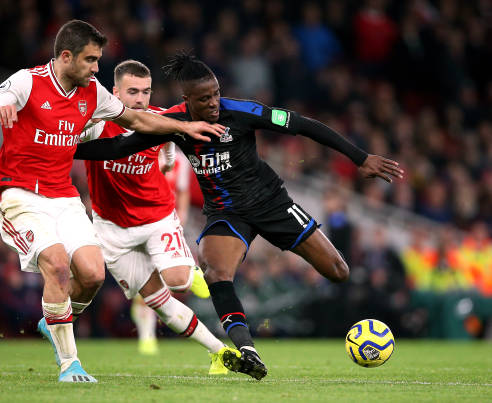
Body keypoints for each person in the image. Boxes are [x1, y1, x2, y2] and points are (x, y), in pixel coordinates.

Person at [73, 52, 404, 380]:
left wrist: (359, 157)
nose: (214, 102)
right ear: (187, 100)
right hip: (226, 214)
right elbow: (117, 148)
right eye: (205, 98)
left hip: (271, 203)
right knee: (216, 272)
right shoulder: (174, 124)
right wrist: (62, 146)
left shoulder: (242, 111)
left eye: (216, 93)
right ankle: (247, 350)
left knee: (339, 271)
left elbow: (303, 125)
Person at [0, 22, 224, 383]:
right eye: (90, 60)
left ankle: (53, 319)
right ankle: (70, 363)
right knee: (57, 265)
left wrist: (184, 129)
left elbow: (135, 118)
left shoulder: (93, 93)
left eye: (98, 60)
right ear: (66, 56)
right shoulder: (27, 81)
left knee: (91, 274)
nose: (96, 68)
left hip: (63, 195)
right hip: (19, 193)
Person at [81, 59, 240, 375]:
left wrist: (168, 159)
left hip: (156, 217)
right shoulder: (96, 125)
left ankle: (191, 270)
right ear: (115, 92)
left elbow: (170, 141)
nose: (140, 99)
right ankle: (219, 353)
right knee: (159, 305)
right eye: (132, 92)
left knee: (178, 281)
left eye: (145, 91)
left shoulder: (158, 119)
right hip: (111, 230)